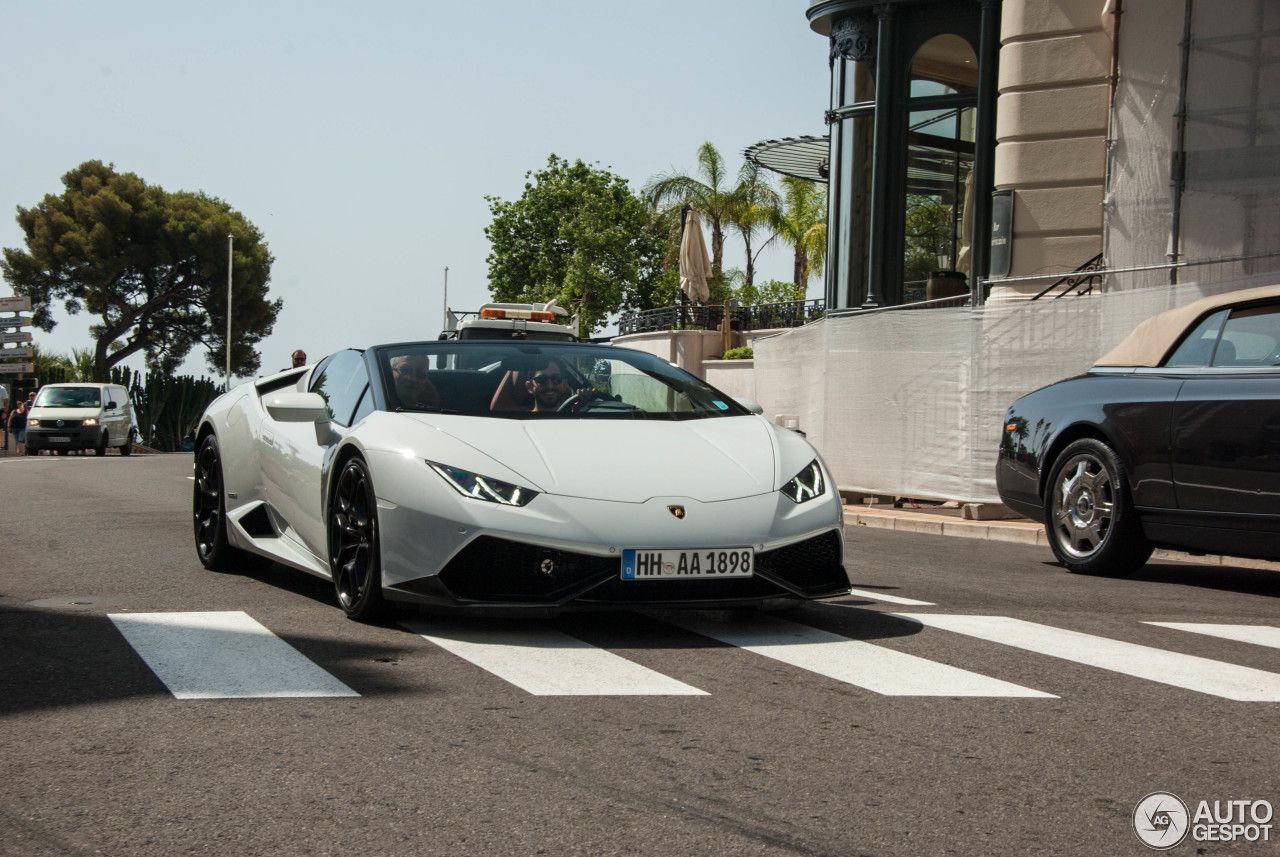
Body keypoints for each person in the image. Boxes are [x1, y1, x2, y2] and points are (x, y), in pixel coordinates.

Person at [525, 359, 593, 413]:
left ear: (564, 384)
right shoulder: (520, 423)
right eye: (542, 380)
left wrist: (579, 413)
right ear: (530, 387)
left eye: (556, 379)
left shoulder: (574, 420)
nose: (550, 386)